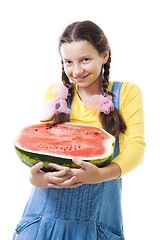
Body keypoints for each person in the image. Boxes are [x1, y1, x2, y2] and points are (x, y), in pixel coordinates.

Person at [13, 20, 145, 239]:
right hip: (43, 221)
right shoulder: (56, 93)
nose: (76, 71)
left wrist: (101, 174)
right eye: (68, 62)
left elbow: (137, 147)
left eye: (85, 60)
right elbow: (43, 149)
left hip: (96, 223)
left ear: (104, 55)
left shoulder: (127, 92)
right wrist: (36, 179)